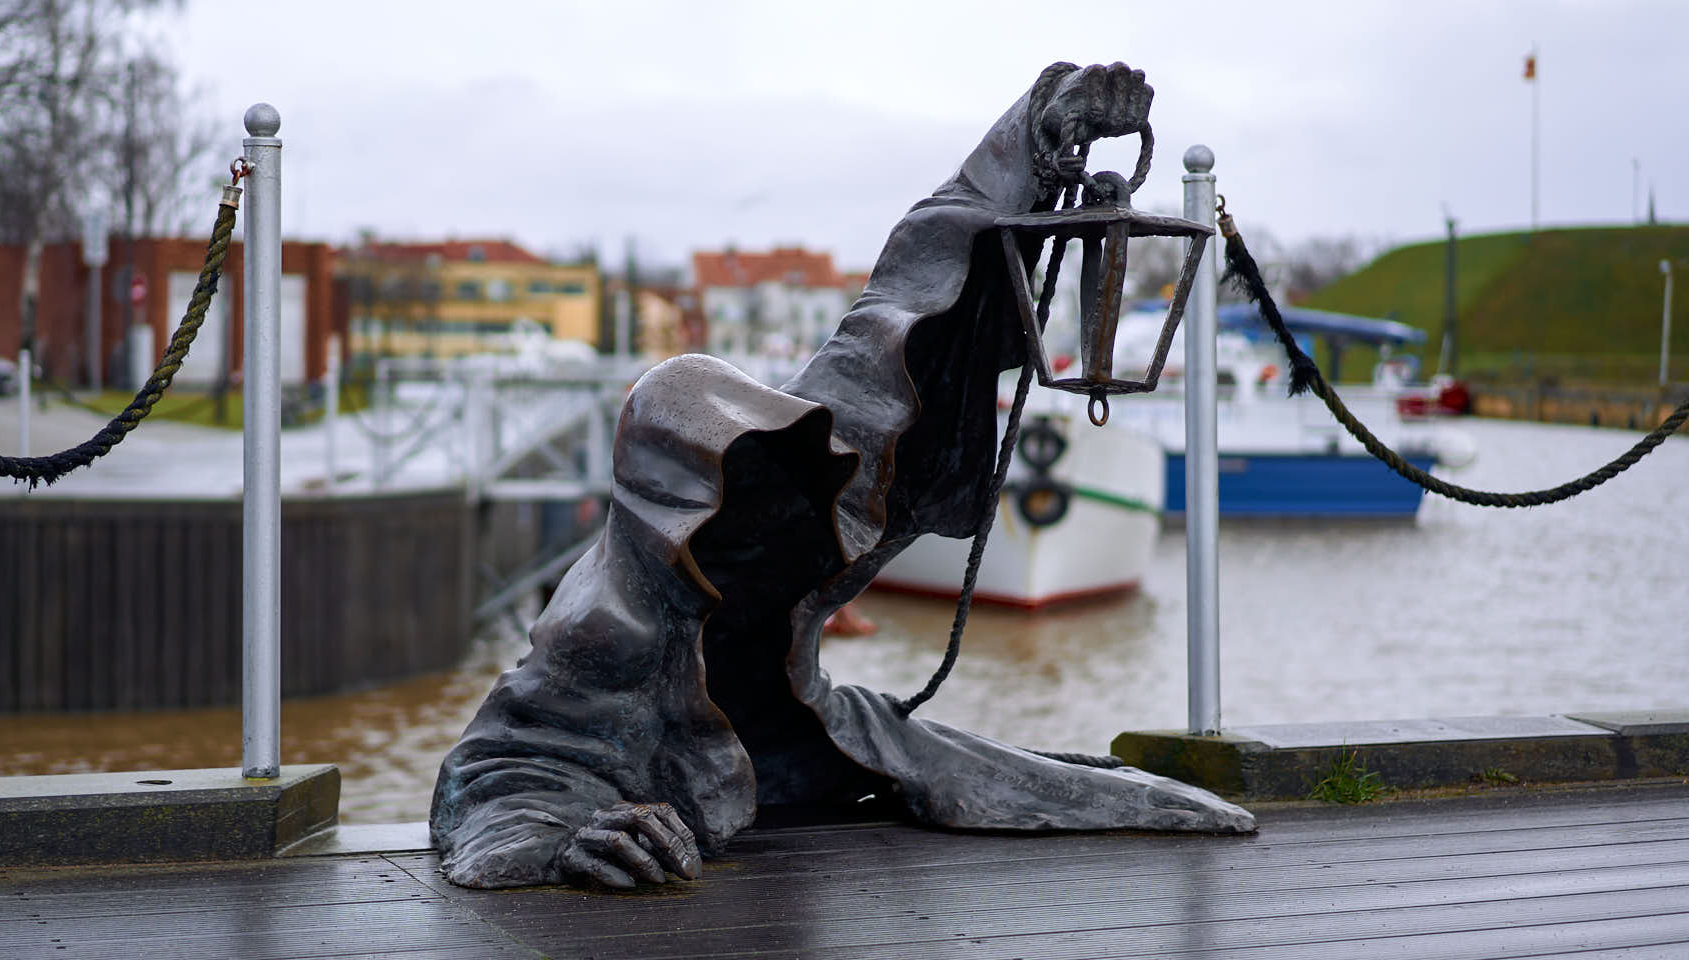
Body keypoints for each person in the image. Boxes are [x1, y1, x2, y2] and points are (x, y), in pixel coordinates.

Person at [431, 62, 1256, 891]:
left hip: (806, 731)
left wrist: (1039, 135)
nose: (778, 505)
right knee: (1058, 789)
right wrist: (561, 841)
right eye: (741, 477)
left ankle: (1167, 801)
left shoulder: (809, 468)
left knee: (1104, 796)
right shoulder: (604, 622)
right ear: (677, 507)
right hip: (697, 765)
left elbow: (905, 298)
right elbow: (492, 771)